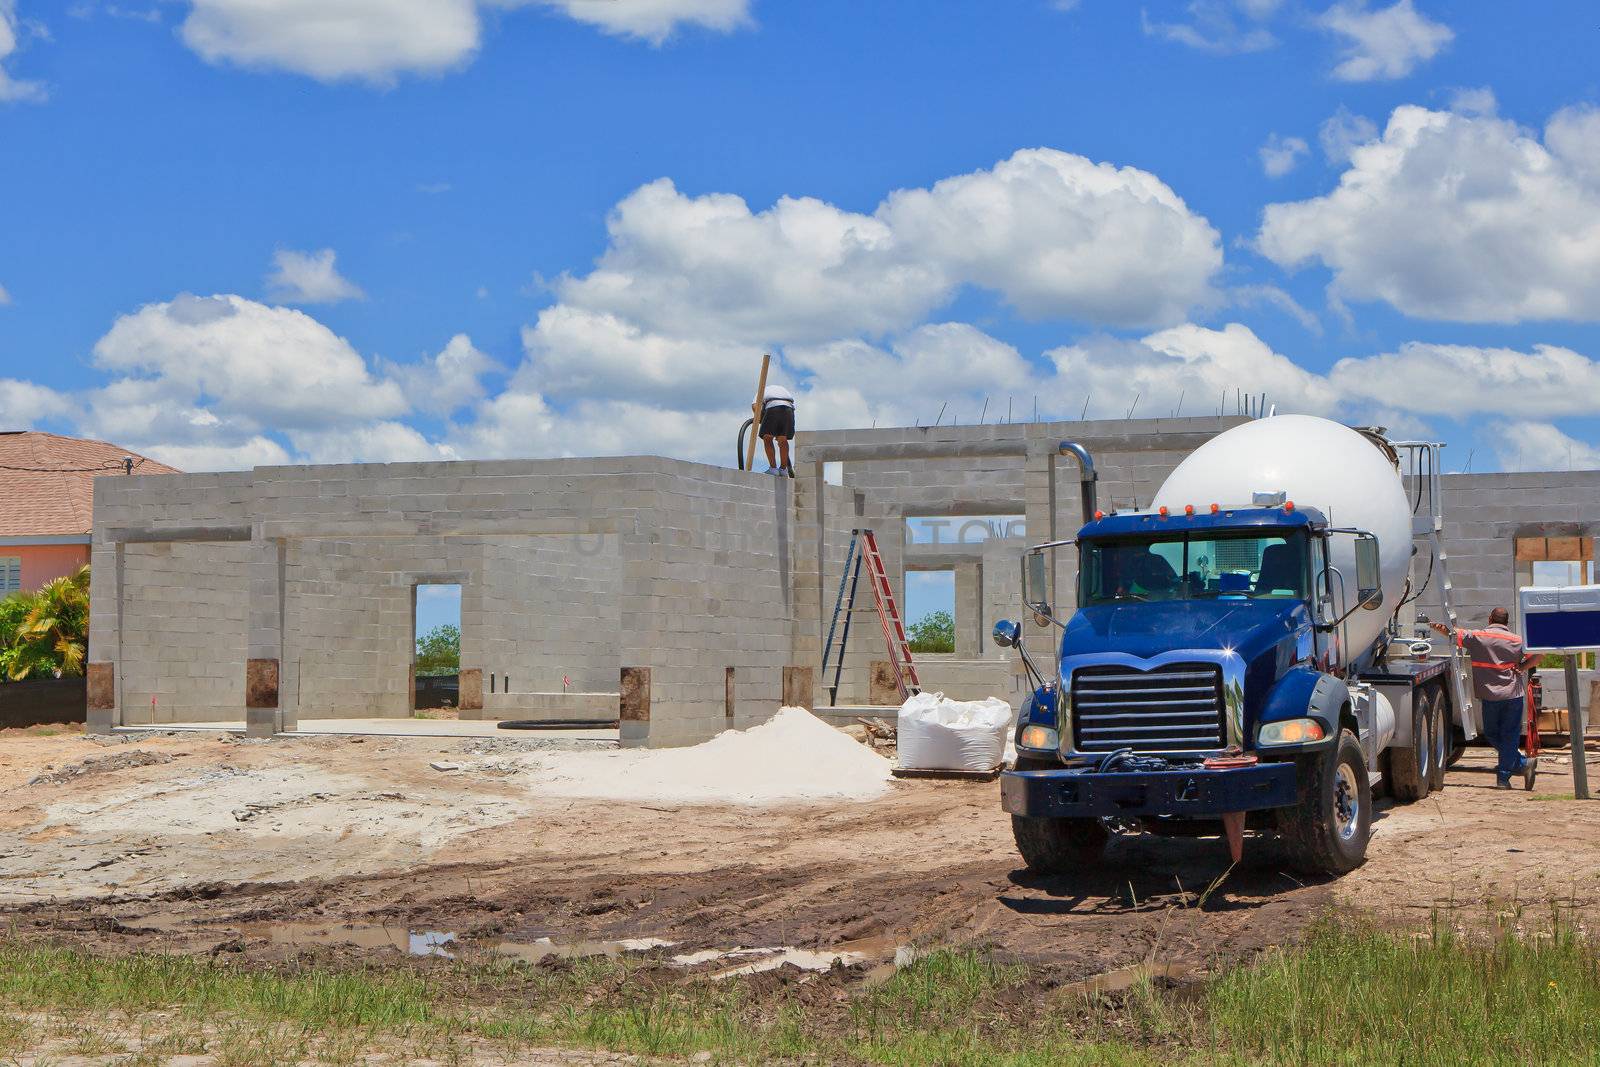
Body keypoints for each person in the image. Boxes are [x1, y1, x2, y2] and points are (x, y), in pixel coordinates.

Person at [1430, 608, 1540, 790]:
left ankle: (1504, 778)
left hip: (1490, 696)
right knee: (1509, 736)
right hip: (1513, 695)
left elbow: (1453, 632)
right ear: (1507, 622)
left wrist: (1436, 626)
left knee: (1491, 733)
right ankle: (1522, 764)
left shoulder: (1478, 637)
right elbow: (1540, 654)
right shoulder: (1517, 640)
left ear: (1490, 619)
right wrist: (1523, 667)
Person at [758, 382, 795, 477]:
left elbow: (755, 406)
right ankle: (783, 470)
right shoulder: (782, 390)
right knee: (783, 439)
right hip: (789, 409)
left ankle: (773, 468)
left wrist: (762, 420)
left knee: (767, 437)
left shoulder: (761, 391)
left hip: (773, 406)